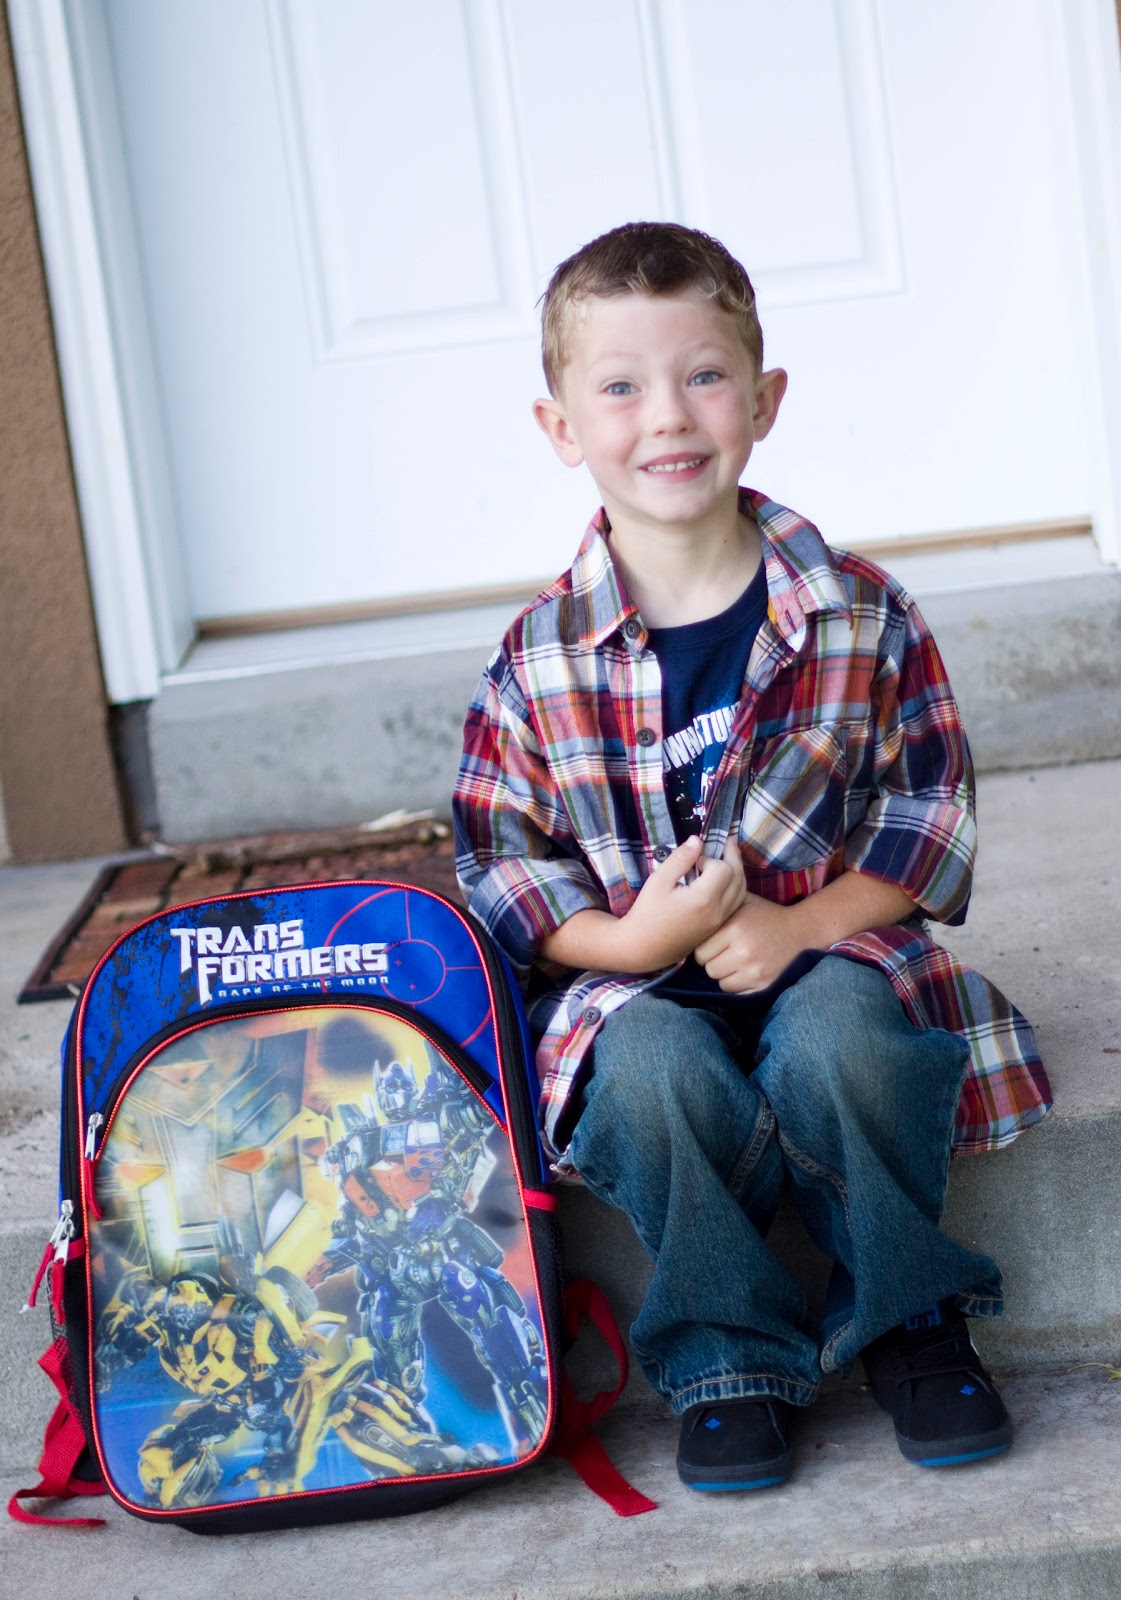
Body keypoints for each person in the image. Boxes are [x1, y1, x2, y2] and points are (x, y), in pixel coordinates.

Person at [452, 222, 1051, 1492]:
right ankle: (727, 1354)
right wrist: (625, 946)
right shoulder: (538, 657)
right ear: (560, 426)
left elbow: (925, 813)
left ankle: (906, 1316)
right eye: (617, 386)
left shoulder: (853, 610)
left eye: (702, 375)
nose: (665, 416)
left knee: (842, 1042)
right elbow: (503, 863)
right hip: (636, 985)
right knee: (651, 1071)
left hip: (826, 946)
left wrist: (795, 926)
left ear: (763, 398)